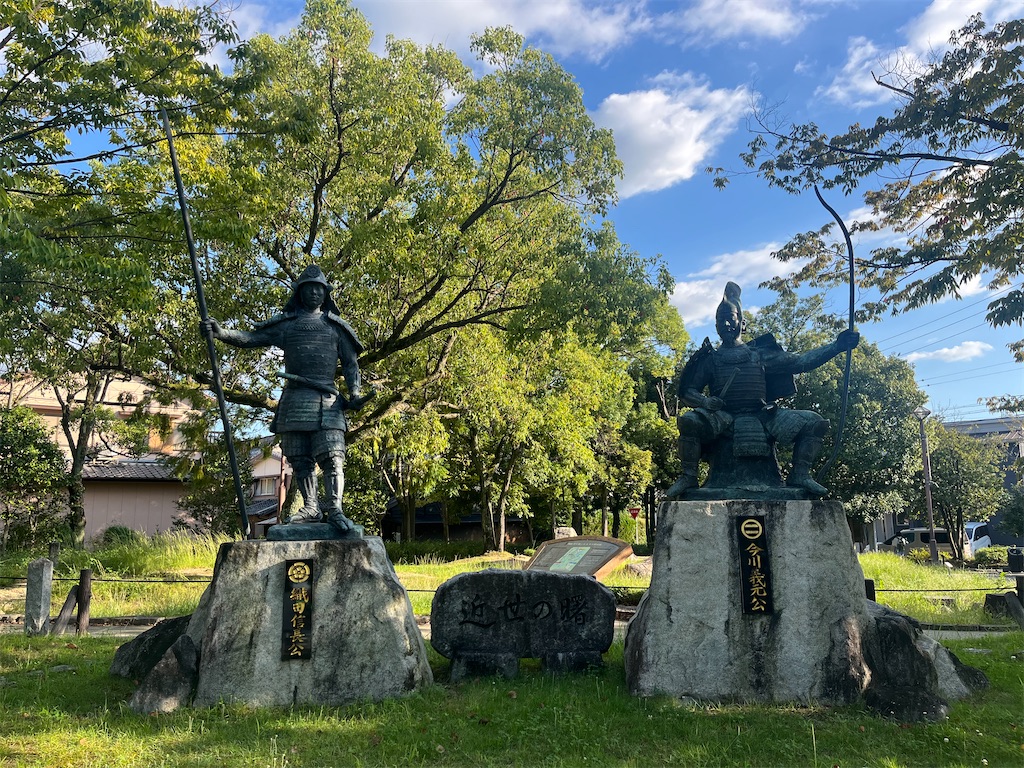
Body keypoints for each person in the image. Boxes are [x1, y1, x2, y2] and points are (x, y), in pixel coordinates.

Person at [203, 265, 367, 534]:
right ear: (299, 292)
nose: (313, 293)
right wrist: (222, 333)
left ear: (325, 293)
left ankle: (335, 509)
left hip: (328, 401)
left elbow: (351, 364)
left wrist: (355, 393)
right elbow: (251, 339)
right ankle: (311, 506)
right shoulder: (287, 325)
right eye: (308, 288)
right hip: (295, 401)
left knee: (333, 457)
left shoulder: (336, 327)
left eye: (318, 289)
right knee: (300, 459)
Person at [666, 281, 859, 499]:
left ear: (742, 323)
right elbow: (688, 391)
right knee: (689, 421)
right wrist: (705, 402)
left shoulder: (759, 354)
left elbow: (801, 362)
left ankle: (800, 473)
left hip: (763, 414)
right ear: (716, 326)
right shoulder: (710, 359)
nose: (726, 324)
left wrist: (836, 347)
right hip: (722, 416)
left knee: (813, 422)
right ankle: (688, 476)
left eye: (731, 318)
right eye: (721, 320)